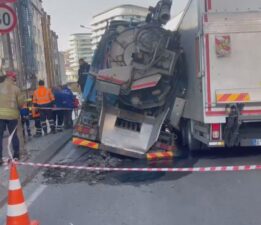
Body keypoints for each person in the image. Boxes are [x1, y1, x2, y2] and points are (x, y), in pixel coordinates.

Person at [0, 71, 25, 165]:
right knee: (13, 136)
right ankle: (16, 155)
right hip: (12, 116)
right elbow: (21, 103)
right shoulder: (16, 89)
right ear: (13, 78)